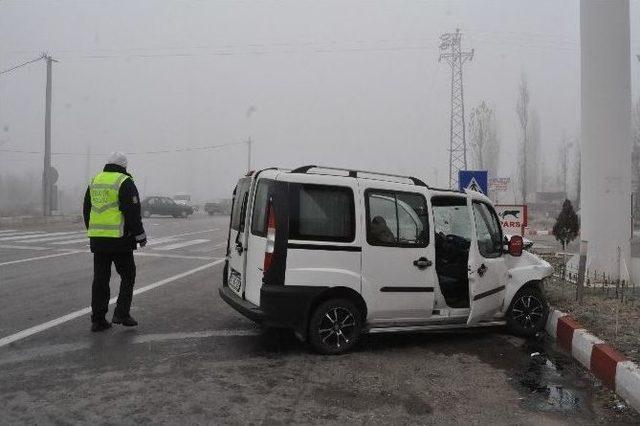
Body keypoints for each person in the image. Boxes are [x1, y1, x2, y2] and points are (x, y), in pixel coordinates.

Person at [83, 152, 147, 332]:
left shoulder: (95, 180)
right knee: (128, 275)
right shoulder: (124, 182)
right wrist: (140, 236)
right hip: (120, 240)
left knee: (100, 280)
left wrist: (93, 230)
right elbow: (132, 212)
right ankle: (122, 313)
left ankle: (98, 320)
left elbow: (86, 209)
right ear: (124, 166)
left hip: (98, 240)